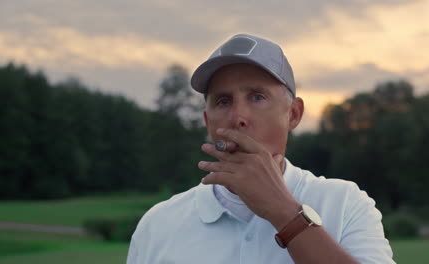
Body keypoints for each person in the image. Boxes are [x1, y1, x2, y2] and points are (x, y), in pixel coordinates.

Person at [126, 33, 394, 263]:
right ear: (208, 121)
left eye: (257, 97)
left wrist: (285, 212)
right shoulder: (158, 225)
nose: (238, 116)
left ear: (293, 114)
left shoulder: (345, 204)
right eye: (223, 101)